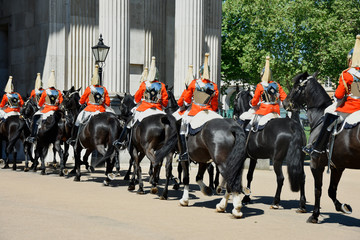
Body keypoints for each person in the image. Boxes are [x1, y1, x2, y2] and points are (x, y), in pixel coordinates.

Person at [303, 35, 360, 158]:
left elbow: (339, 95)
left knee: (328, 115)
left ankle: (317, 149)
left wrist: (340, 99)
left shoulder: (347, 74)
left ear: (350, 60)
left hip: (351, 107)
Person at [113, 56, 168, 149]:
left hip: (144, 108)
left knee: (129, 123)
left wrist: (137, 101)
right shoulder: (161, 85)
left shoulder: (144, 84)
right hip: (159, 109)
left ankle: (120, 141)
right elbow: (165, 101)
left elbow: (137, 97)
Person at [178, 53, 219, 161]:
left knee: (183, 127)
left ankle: (185, 153)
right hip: (209, 111)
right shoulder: (214, 85)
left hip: (195, 110)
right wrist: (213, 110)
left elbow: (186, 99)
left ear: (200, 73)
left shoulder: (194, 83)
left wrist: (187, 104)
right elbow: (215, 103)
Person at [67, 65, 114, 144]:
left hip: (90, 109)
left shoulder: (89, 88)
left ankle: (74, 138)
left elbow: (82, 100)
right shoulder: (104, 89)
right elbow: (108, 102)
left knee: (77, 121)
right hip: (102, 109)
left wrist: (81, 102)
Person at [239, 56, 287, 131]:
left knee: (249, 125)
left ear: (262, 75)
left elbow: (254, 101)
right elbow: (284, 98)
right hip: (276, 111)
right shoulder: (277, 85)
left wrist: (252, 103)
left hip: (264, 111)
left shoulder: (260, 85)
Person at [27, 70, 63, 143]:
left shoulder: (45, 92)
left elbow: (40, 103)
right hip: (56, 110)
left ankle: (33, 136)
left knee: (35, 118)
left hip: (46, 110)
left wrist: (40, 105)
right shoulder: (58, 92)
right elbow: (61, 102)